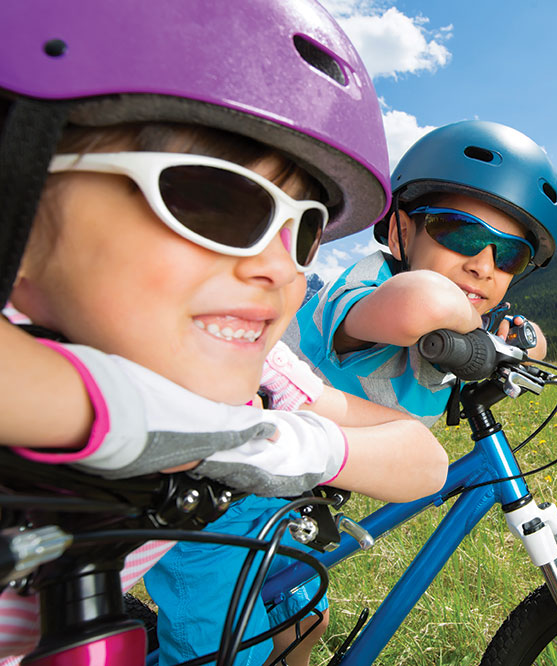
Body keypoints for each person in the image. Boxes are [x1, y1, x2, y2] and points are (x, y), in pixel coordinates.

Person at [0, 1, 447, 664]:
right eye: (217, 201)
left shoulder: (255, 373)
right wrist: (126, 411)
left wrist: (272, 443)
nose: (277, 267)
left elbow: (421, 458)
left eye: (304, 230)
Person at [286, 120, 557, 424]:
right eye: (461, 233)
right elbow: (422, 303)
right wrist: (484, 341)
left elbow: (534, 344)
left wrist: (523, 341)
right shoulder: (369, 289)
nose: (483, 268)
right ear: (401, 235)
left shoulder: (462, 324)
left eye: (511, 255)